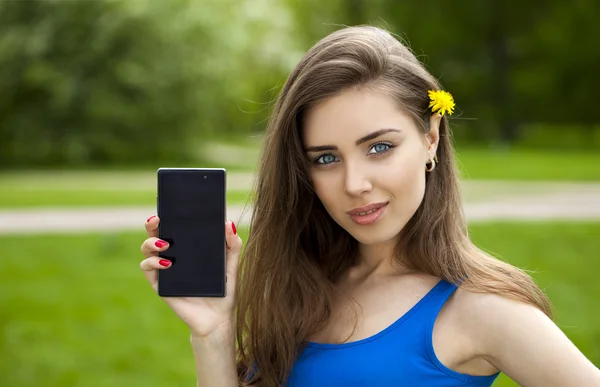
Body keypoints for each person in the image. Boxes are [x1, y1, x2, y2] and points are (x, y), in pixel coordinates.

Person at [138, 25, 600, 387]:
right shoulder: (298, 286)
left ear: (431, 137)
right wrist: (214, 334)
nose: (354, 184)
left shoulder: (485, 308)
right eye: (325, 158)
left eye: (378, 147)